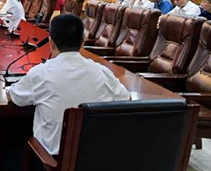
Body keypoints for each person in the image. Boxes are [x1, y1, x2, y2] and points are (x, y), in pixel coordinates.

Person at [7, 14, 131, 155]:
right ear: (83, 42)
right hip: (94, 159)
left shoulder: (40, 73)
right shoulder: (102, 72)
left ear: (51, 42)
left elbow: (14, 97)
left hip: (50, 162)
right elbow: (125, 98)